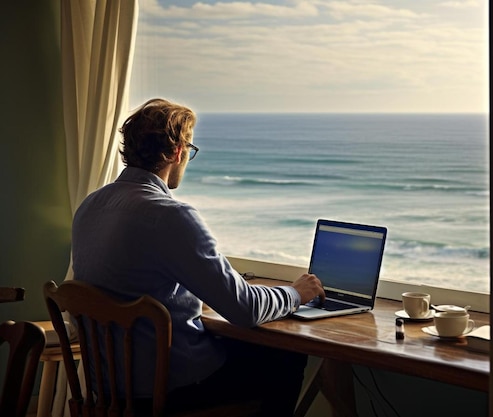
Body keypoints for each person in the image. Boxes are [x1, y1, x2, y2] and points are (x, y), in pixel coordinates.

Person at [71, 98, 326, 416]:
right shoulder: (169, 216)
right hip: (167, 392)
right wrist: (296, 293)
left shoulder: (90, 207)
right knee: (286, 356)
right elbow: (244, 308)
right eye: (189, 150)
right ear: (177, 151)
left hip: (111, 390)